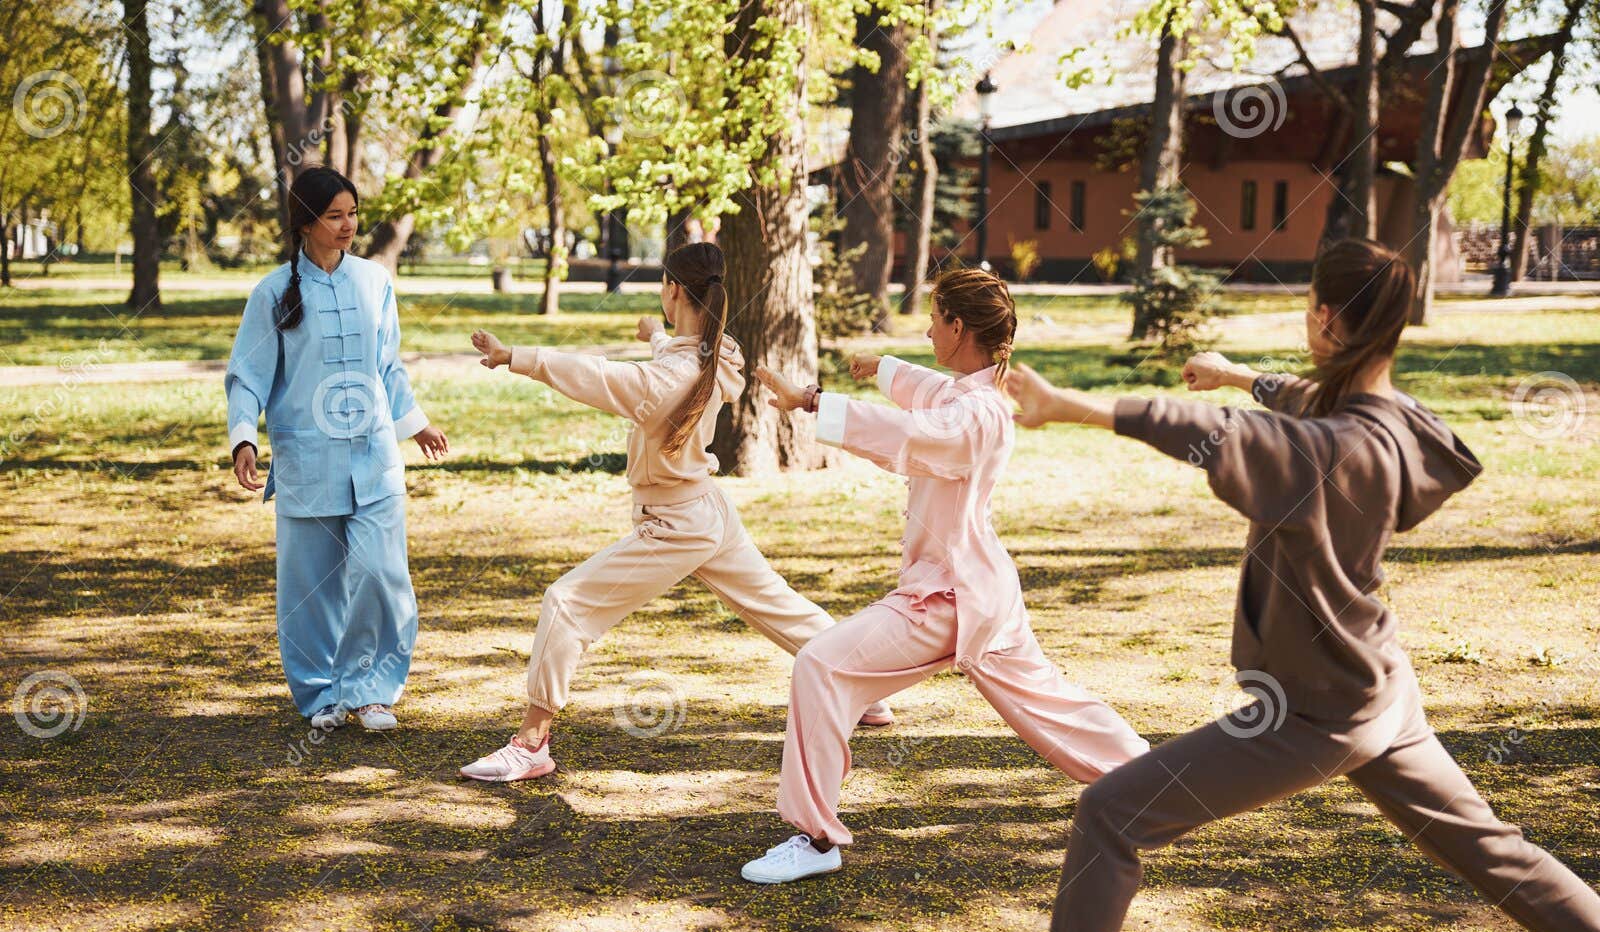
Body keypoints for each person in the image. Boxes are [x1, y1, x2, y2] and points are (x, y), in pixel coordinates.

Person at [981, 238, 1600, 932]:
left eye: (1314, 302)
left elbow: (1219, 435)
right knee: (1495, 849)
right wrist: (1242, 373)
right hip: (1382, 692)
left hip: (1318, 711)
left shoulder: (1330, 452)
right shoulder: (1396, 425)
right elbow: (1311, 398)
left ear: (1325, 317)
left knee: (1110, 813)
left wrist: (1073, 406)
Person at [740, 266, 1149, 885]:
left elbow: (910, 433)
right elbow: (929, 396)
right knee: (1052, 703)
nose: (928, 328)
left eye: (934, 318)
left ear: (958, 328)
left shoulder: (977, 415)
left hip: (948, 597)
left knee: (820, 664)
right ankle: (1159, 781)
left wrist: (814, 401)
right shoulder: (971, 396)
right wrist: (882, 368)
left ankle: (817, 837)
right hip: (982, 593)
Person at [459, 242, 892, 783]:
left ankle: (530, 743)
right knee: (777, 606)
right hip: (707, 510)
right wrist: (657, 336)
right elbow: (681, 355)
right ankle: (867, 687)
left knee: (567, 604)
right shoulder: (716, 353)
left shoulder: (667, 379)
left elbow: (599, 376)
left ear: (673, 291)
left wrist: (516, 357)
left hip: (676, 524)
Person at [225, 165, 449, 733]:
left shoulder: (375, 282)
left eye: (352, 212)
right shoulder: (272, 292)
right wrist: (243, 439)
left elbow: (388, 365)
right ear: (306, 222)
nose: (348, 225)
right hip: (306, 461)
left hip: (374, 458)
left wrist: (414, 422)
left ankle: (372, 689)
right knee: (311, 588)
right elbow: (247, 375)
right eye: (335, 215)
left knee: (381, 574)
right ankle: (322, 692)